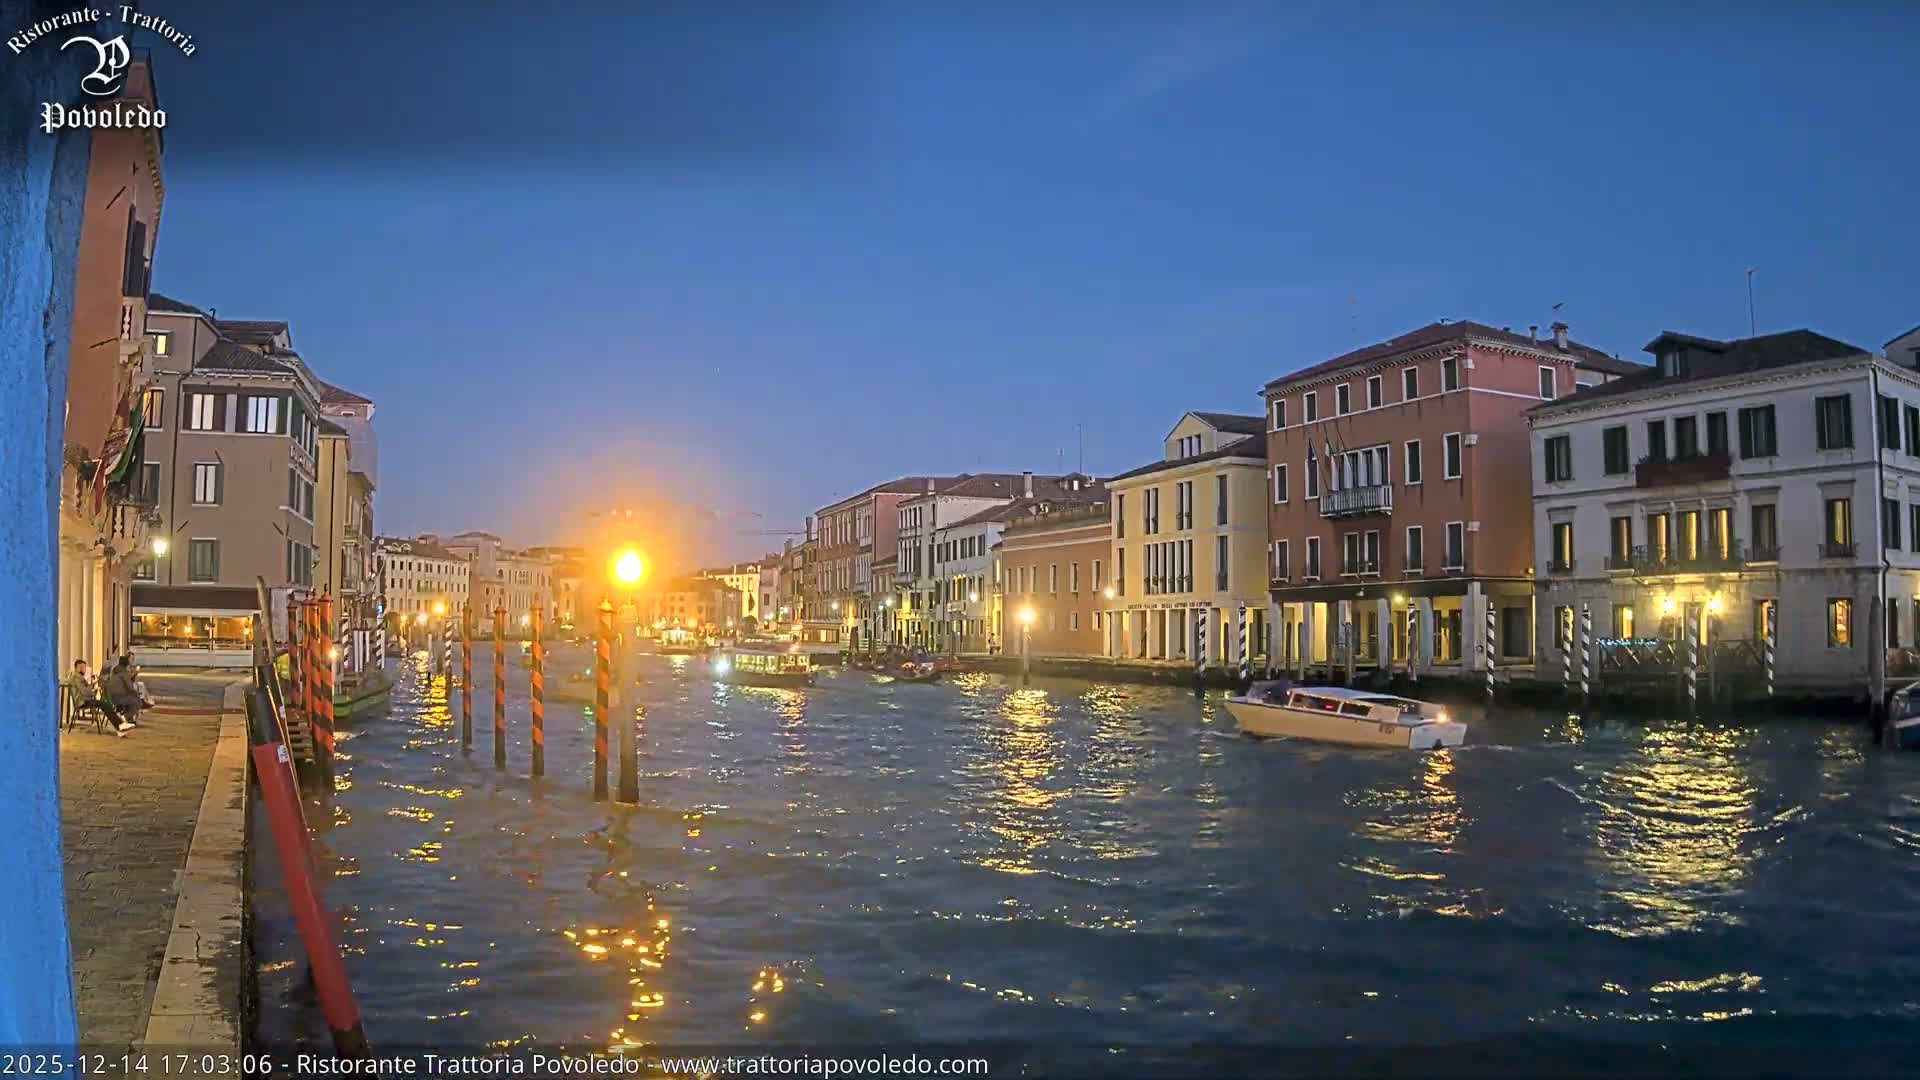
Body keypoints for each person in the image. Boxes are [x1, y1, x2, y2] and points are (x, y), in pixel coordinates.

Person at [66, 659, 133, 736]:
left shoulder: (77, 676)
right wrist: (93, 689)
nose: (85, 670)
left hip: (85, 699)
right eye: (84, 668)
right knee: (105, 704)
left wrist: (93, 685)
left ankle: (119, 727)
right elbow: (85, 692)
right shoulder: (77, 677)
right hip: (83, 701)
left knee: (105, 704)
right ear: (79, 667)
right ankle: (119, 725)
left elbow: (85, 690)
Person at [102, 657, 145, 727]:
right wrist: (136, 693)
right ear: (126, 664)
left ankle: (129, 719)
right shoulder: (124, 673)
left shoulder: (114, 670)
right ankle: (126, 717)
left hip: (110, 697)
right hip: (119, 698)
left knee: (132, 699)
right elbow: (130, 687)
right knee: (138, 702)